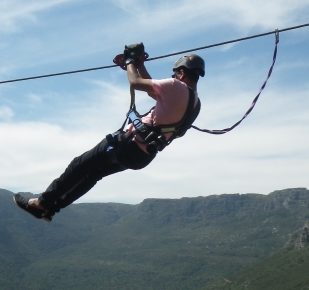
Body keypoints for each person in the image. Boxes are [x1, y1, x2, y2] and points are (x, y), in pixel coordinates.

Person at [14, 43, 204, 222]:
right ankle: (50, 210)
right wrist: (140, 65)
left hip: (128, 144)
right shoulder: (195, 104)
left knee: (79, 165)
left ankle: (42, 203)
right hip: (142, 156)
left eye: (175, 74)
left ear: (181, 72)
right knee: (92, 175)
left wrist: (130, 62)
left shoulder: (175, 87)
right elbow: (153, 90)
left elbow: (136, 82)